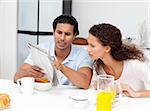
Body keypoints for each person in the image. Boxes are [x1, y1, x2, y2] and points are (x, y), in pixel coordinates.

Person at [14, 14, 93, 89]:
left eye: (67, 34)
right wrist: (28, 73)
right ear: (54, 32)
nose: (62, 38)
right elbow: (16, 77)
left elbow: (85, 83)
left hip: (70, 99)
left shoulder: (83, 54)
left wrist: (62, 67)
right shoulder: (40, 49)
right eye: (59, 32)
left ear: (74, 36)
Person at [87, 23, 150, 97]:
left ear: (107, 48)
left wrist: (136, 94)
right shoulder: (98, 66)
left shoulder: (134, 65)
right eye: (88, 44)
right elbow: (96, 89)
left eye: (92, 46)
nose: (88, 49)